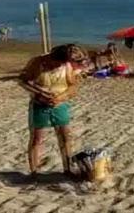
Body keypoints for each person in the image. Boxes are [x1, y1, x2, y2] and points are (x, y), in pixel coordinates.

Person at [19, 44, 87, 176]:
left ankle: (67, 169)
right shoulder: (37, 63)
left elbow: (73, 86)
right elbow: (23, 81)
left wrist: (62, 96)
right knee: (37, 138)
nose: (58, 66)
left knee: (65, 136)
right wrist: (39, 93)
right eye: (58, 63)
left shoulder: (66, 65)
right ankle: (34, 171)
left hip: (60, 103)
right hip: (39, 104)